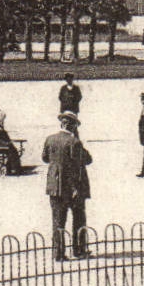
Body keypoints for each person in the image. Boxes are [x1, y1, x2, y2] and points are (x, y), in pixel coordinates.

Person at [42, 110, 91, 261]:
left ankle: (58, 253)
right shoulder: (74, 142)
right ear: (74, 126)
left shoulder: (50, 139)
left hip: (54, 187)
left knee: (57, 220)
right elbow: (87, 160)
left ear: (62, 123)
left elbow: (44, 158)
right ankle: (79, 250)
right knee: (79, 219)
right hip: (73, 188)